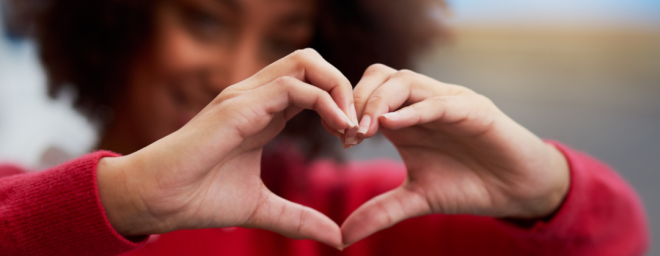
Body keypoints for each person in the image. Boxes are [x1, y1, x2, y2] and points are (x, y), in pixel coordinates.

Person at [0, 0, 649, 255]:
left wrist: (543, 185)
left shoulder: (342, 220)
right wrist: (128, 198)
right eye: (205, 20)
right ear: (121, 18)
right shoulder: (34, 207)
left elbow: (616, 240)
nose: (236, 75)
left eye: (285, 41)